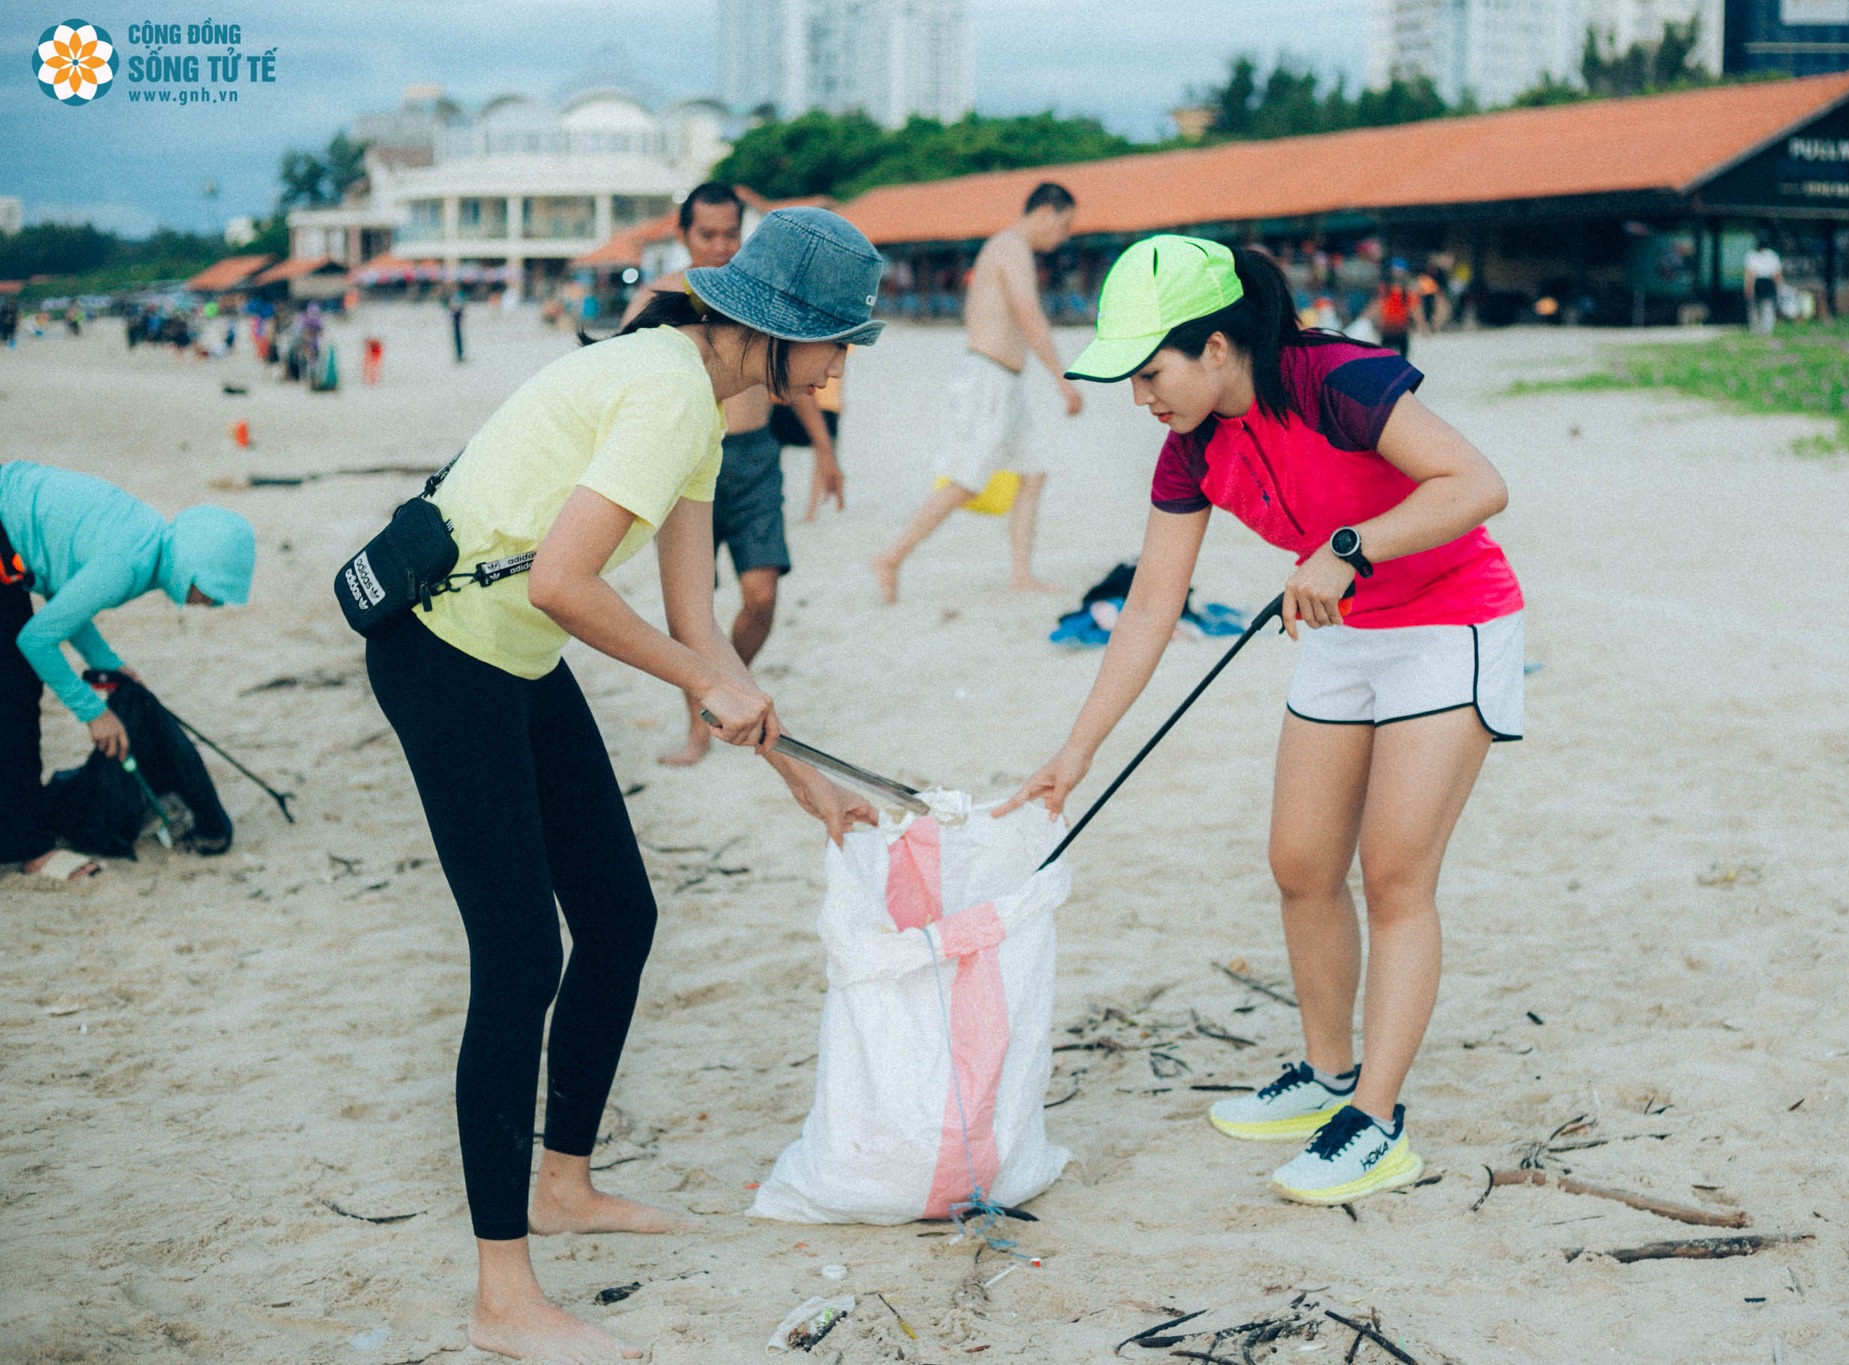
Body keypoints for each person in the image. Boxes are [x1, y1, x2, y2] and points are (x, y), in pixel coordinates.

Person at [361, 207, 885, 1364]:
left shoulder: (696, 403)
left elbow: (697, 619)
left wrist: (799, 776)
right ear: (778, 333)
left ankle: (563, 1184)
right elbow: (563, 581)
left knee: (618, 917)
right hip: (446, 657)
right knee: (518, 957)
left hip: (510, 657)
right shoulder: (663, 393)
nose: (842, 366)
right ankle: (504, 1296)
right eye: (838, 343)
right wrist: (702, 681)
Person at [997, 236, 1523, 1207]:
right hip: (1339, 631)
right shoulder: (1187, 446)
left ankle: (1373, 1119)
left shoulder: (1335, 381)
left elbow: (1474, 485)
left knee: (1394, 873)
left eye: (1151, 372)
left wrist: (1347, 547)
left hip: (1448, 624)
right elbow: (1152, 605)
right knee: (1299, 865)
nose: (1140, 397)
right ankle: (1324, 1075)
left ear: (1218, 347)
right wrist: (1072, 754)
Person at [645, 184, 846, 768]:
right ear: (683, 235)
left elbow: (792, 371)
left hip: (757, 457)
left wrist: (825, 451)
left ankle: (724, 691)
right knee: (693, 607)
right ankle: (698, 724)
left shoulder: (761, 300)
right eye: (707, 234)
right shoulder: (664, 299)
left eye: (731, 233)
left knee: (761, 595)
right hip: (685, 465)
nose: (720, 245)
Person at [1, 461, 254, 885]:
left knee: (17, 689)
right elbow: (36, 640)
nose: (213, 605)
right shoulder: (128, 566)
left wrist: (106, 663)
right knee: (13, 695)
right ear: (192, 567)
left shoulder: (147, 538)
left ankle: (23, 834)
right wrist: (92, 713)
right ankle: (32, 849)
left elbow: (65, 598)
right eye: (213, 592)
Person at [871, 182, 1085, 603]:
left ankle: (1021, 574)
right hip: (987, 380)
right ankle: (891, 557)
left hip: (1005, 383)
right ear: (1045, 213)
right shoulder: (1010, 247)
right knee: (966, 481)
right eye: (1063, 225)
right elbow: (1029, 314)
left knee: (1033, 472)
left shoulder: (1010, 248)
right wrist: (1062, 377)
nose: (1063, 236)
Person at [1743, 234, 1783, 335]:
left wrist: (1748, 287)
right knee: (1765, 306)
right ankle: (1765, 329)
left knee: (1758, 307)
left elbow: (1750, 273)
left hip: (1760, 281)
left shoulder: (1752, 255)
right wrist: (1779, 286)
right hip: (1765, 281)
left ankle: (1757, 329)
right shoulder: (1772, 255)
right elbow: (1776, 273)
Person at [448, 291, 466, 363]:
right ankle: (459, 356)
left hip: (457, 327)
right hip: (456, 327)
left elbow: (459, 317)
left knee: (459, 341)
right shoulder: (456, 310)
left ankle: (459, 355)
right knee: (458, 341)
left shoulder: (457, 310)